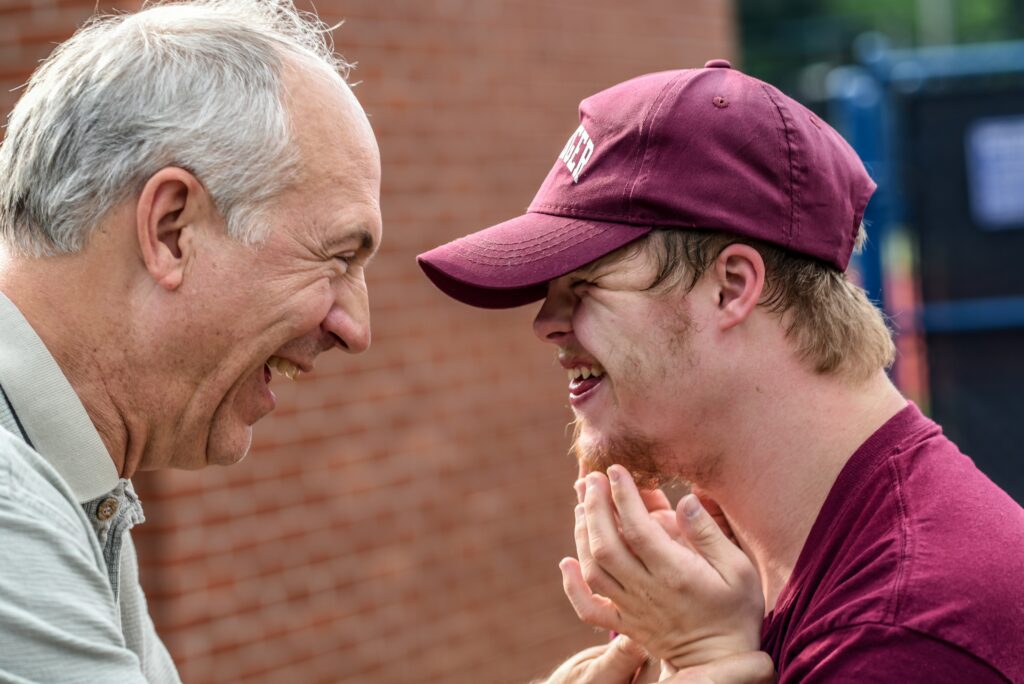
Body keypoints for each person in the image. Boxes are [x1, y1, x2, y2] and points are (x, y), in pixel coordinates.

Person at [418, 60, 1024, 682]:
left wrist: (705, 662)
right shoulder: (764, 566)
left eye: (586, 284)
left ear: (731, 288)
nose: (546, 323)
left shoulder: (904, 634)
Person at [0, 0, 381, 680]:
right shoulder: (11, 504)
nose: (355, 328)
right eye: (337, 259)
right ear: (172, 230)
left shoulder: (69, 479)